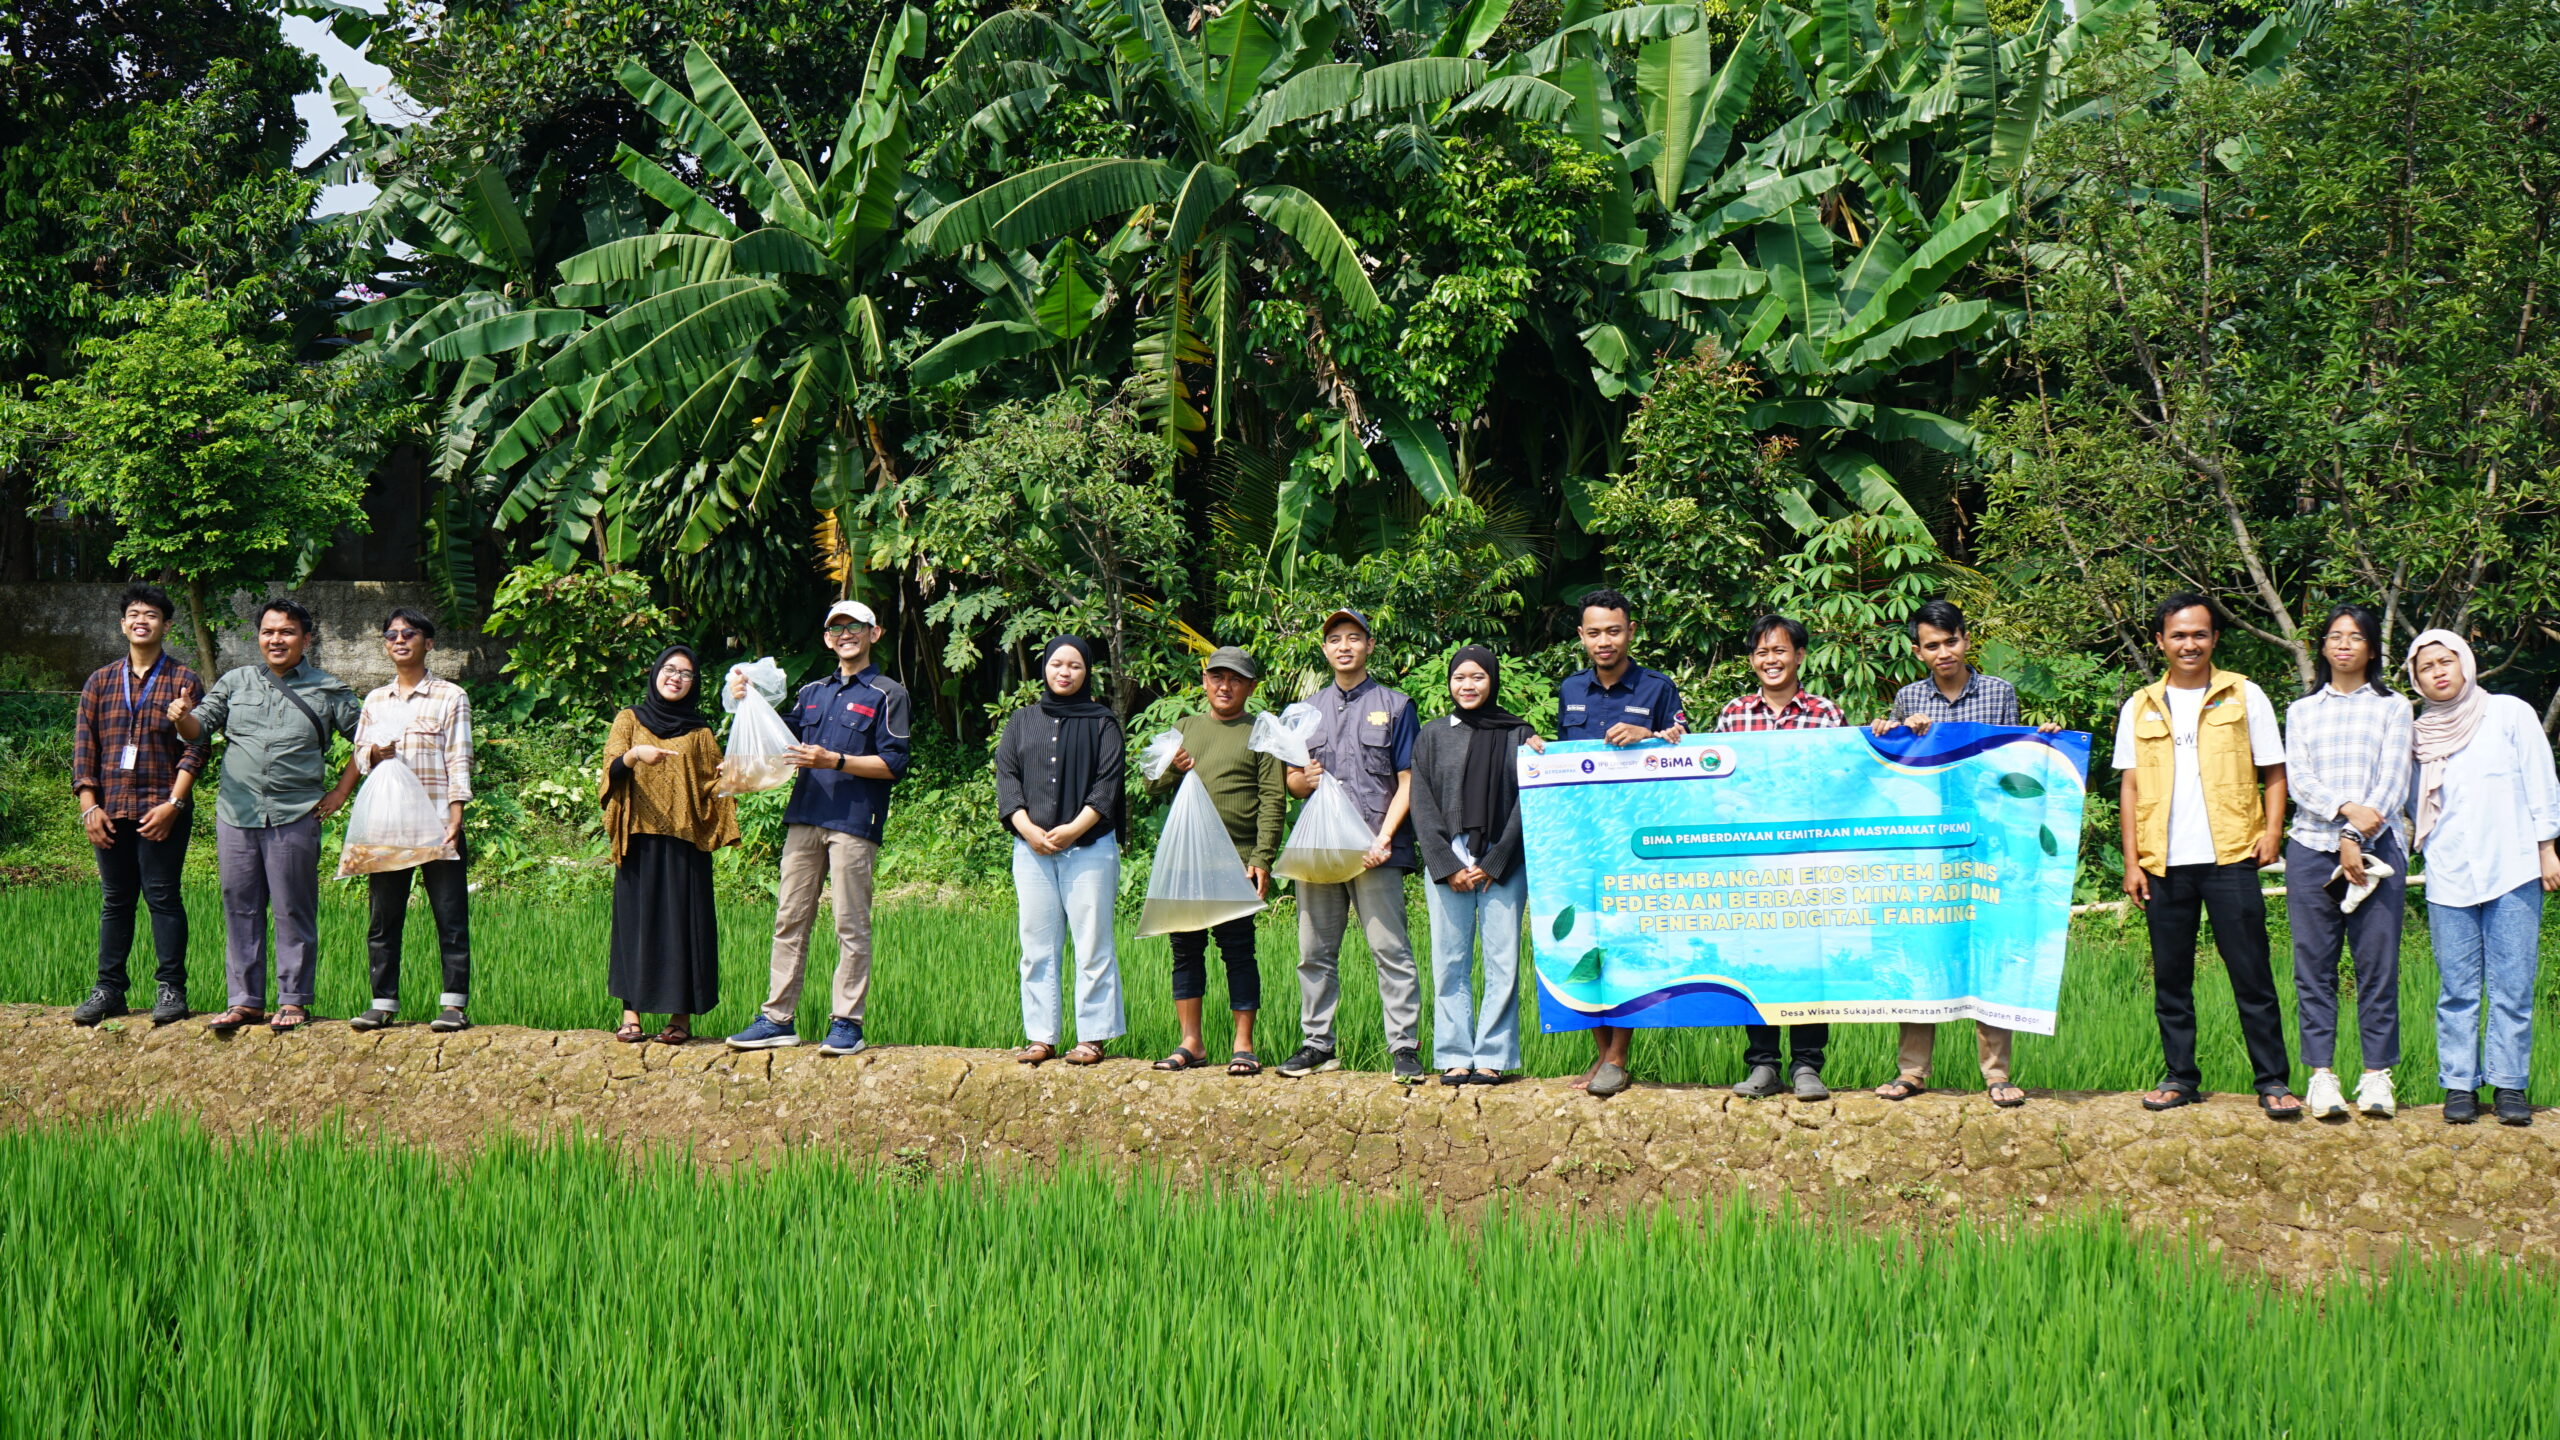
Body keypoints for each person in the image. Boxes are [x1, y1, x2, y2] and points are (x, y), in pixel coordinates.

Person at [2115, 593, 2300, 1119]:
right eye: (2178, 635)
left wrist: (2272, 832)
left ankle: (2273, 1081)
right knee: (2172, 978)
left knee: (2252, 974)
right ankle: (2179, 1077)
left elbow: (2274, 770)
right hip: (2163, 862)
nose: (2189, 643)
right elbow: (2129, 786)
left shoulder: (2244, 695)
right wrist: (2132, 862)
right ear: (2160, 642)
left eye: (2199, 634)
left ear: (2215, 638)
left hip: (2231, 856)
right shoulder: (2141, 705)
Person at [1867, 598, 2056, 1108]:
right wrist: (1889, 732)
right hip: (1927, 846)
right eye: (1932, 645)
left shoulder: (1999, 694)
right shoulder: (1907, 698)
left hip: (1986, 844)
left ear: (1966, 641)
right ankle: (1911, 1071)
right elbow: (1897, 771)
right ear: (1917, 651)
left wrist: (2045, 746)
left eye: (1951, 641)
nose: (1943, 651)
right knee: (1923, 949)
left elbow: (2011, 765)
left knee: (1989, 949)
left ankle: (1996, 1074)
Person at [725, 600, 913, 1058]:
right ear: (828, 639)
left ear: (875, 633)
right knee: (790, 918)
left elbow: (894, 763)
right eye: (837, 628)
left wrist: (836, 760)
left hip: (853, 822)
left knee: (849, 924)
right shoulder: (812, 692)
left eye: (855, 626)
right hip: (804, 817)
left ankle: (847, 1022)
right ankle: (776, 1019)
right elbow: (777, 740)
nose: (845, 633)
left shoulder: (888, 694)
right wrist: (746, 697)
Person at [171, 598, 361, 1034]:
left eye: (287, 631)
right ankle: (245, 1001)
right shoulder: (235, 682)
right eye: (268, 632)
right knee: (240, 907)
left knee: (294, 909)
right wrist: (182, 719)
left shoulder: (329, 689)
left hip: (295, 814)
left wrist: (340, 792)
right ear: (259, 637)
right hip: (236, 814)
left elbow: (366, 742)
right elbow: (199, 728)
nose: (276, 639)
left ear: (305, 639)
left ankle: (293, 999)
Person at [2404, 630, 2560, 1127]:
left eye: (2446, 661)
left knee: (2514, 986)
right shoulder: (2418, 733)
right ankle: (2458, 1085)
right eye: (2427, 667)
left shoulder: (2509, 713)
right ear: (2417, 678)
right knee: (2457, 989)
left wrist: (2547, 847)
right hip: (2449, 873)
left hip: (2513, 866)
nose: (2439, 672)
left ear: (2465, 663)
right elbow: (2411, 807)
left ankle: (2510, 1085)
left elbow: (2541, 778)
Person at [1276, 609, 1425, 1084]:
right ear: (1324, 650)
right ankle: (1318, 1044)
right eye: (1335, 639)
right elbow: (1291, 783)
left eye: (1353, 638)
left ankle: (1404, 1047)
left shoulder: (1397, 705)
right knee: (1314, 950)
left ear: (1369, 646)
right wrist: (1303, 779)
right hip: (1320, 851)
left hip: (1376, 850)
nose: (1344, 646)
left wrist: (1384, 839)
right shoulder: (1305, 712)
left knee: (1390, 950)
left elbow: (1408, 781)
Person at [2281, 604, 2411, 1120]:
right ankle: (2321, 1076)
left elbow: (2394, 779)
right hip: (2312, 849)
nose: (2343, 644)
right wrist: (2342, 815)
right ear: (2324, 647)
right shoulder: (2302, 710)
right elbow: (2300, 780)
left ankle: (2377, 1075)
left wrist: (2356, 834)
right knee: (2314, 967)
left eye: (2355, 637)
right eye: (2335, 636)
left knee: (2377, 966)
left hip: (2379, 851)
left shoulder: (2394, 706)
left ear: (2371, 649)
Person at [1555, 589, 1687, 1098]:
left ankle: (1618, 1056)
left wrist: (1649, 735)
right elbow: (1564, 760)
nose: (1604, 640)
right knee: (1585, 939)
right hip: (1581, 837)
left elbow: (1685, 745)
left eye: (1614, 630)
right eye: (1594, 632)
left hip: (1636, 840)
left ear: (1631, 631)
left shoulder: (1657, 688)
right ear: (1581, 637)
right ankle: (1598, 1055)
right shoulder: (1570, 688)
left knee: (1625, 938)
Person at [1715, 614, 1846, 1100]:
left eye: (1780, 651)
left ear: (1800, 656)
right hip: (1753, 860)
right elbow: (1718, 787)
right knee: (1759, 958)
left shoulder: (1825, 714)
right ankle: (1763, 1065)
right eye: (1762, 652)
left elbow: (1842, 784)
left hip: (1809, 859)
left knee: (1809, 955)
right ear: (1752, 661)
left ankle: (1808, 1065)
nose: (1771, 660)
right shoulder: (1733, 714)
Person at [70, 584, 207, 1028]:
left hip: (160, 810)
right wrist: (90, 808)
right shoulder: (100, 681)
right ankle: (108, 988)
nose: (141, 620)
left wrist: (173, 803)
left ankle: (171, 988)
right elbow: (84, 749)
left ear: (166, 625)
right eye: (133, 613)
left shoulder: (183, 680)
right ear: (122, 624)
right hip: (110, 811)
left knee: (163, 897)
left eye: (151, 614)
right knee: (115, 900)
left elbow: (196, 747)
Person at [1146, 645, 1286, 1076]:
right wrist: (1174, 766)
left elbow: (1273, 798)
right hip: (1186, 863)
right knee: (1185, 951)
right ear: (1205, 682)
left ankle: (1243, 1044)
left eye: (1236, 680)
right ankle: (1192, 1043)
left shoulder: (1261, 730)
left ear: (1251, 687)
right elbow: (1152, 785)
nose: (1225, 687)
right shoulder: (1185, 727)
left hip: (1236, 862)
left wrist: (1262, 856)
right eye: (1217, 678)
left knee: (1238, 951)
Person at [995, 636, 1127, 1066]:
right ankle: (1040, 1037)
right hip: (1031, 849)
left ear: (1087, 672)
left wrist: (1071, 830)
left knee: (1093, 944)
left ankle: (1093, 1037)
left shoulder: (1103, 722)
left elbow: (1107, 786)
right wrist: (1028, 829)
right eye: (1056, 664)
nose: (1064, 672)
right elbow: (1007, 780)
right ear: (1045, 670)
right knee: (1036, 945)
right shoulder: (1021, 721)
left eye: (1074, 666)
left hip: (1088, 847)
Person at [346, 608, 476, 1034]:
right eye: (391, 635)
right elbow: (359, 756)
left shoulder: (449, 696)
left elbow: (459, 756)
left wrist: (456, 813)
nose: (399, 640)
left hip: (436, 820)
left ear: (428, 642)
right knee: (383, 918)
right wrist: (374, 754)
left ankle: (453, 1005)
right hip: (388, 824)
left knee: (450, 915)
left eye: (409, 633)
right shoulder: (375, 700)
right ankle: (382, 1002)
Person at [1411, 645, 1535, 1086]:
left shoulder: (1519, 733)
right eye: (1460, 677)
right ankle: (1454, 1054)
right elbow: (1421, 803)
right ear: (1449, 682)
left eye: (1477, 677)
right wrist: (1446, 864)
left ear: (1493, 680)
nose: (1467, 685)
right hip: (1450, 863)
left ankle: (1493, 1055)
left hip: (1503, 862)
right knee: (1449, 962)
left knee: (1503, 961)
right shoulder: (1431, 736)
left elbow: (1527, 800)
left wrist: (1498, 858)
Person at [602, 646, 738, 1046]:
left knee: (684, 927)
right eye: (670, 669)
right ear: (656, 672)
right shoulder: (629, 719)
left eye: (686, 674)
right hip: (638, 838)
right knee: (635, 926)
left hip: (685, 840)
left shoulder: (700, 733)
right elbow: (610, 769)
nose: (676, 678)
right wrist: (633, 756)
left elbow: (714, 786)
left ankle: (680, 1019)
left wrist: (730, 774)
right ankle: (631, 1015)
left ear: (694, 684)